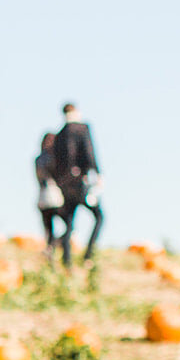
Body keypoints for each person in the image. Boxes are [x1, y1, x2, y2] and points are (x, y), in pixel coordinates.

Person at [51, 102, 104, 266]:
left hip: (65, 184)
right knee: (99, 217)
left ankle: (67, 262)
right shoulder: (82, 129)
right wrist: (97, 172)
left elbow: (55, 162)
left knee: (68, 223)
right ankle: (88, 254)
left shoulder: (59, 135)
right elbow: (89, 151)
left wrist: (60, 183)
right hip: (80, 181)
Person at [35, 132, 64, 253]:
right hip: (53, 194)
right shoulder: (53, 158)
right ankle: (57, 243)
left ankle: (50, 247)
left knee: (48, 228)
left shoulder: (38, 159)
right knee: (68, 223)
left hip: (42, 196)